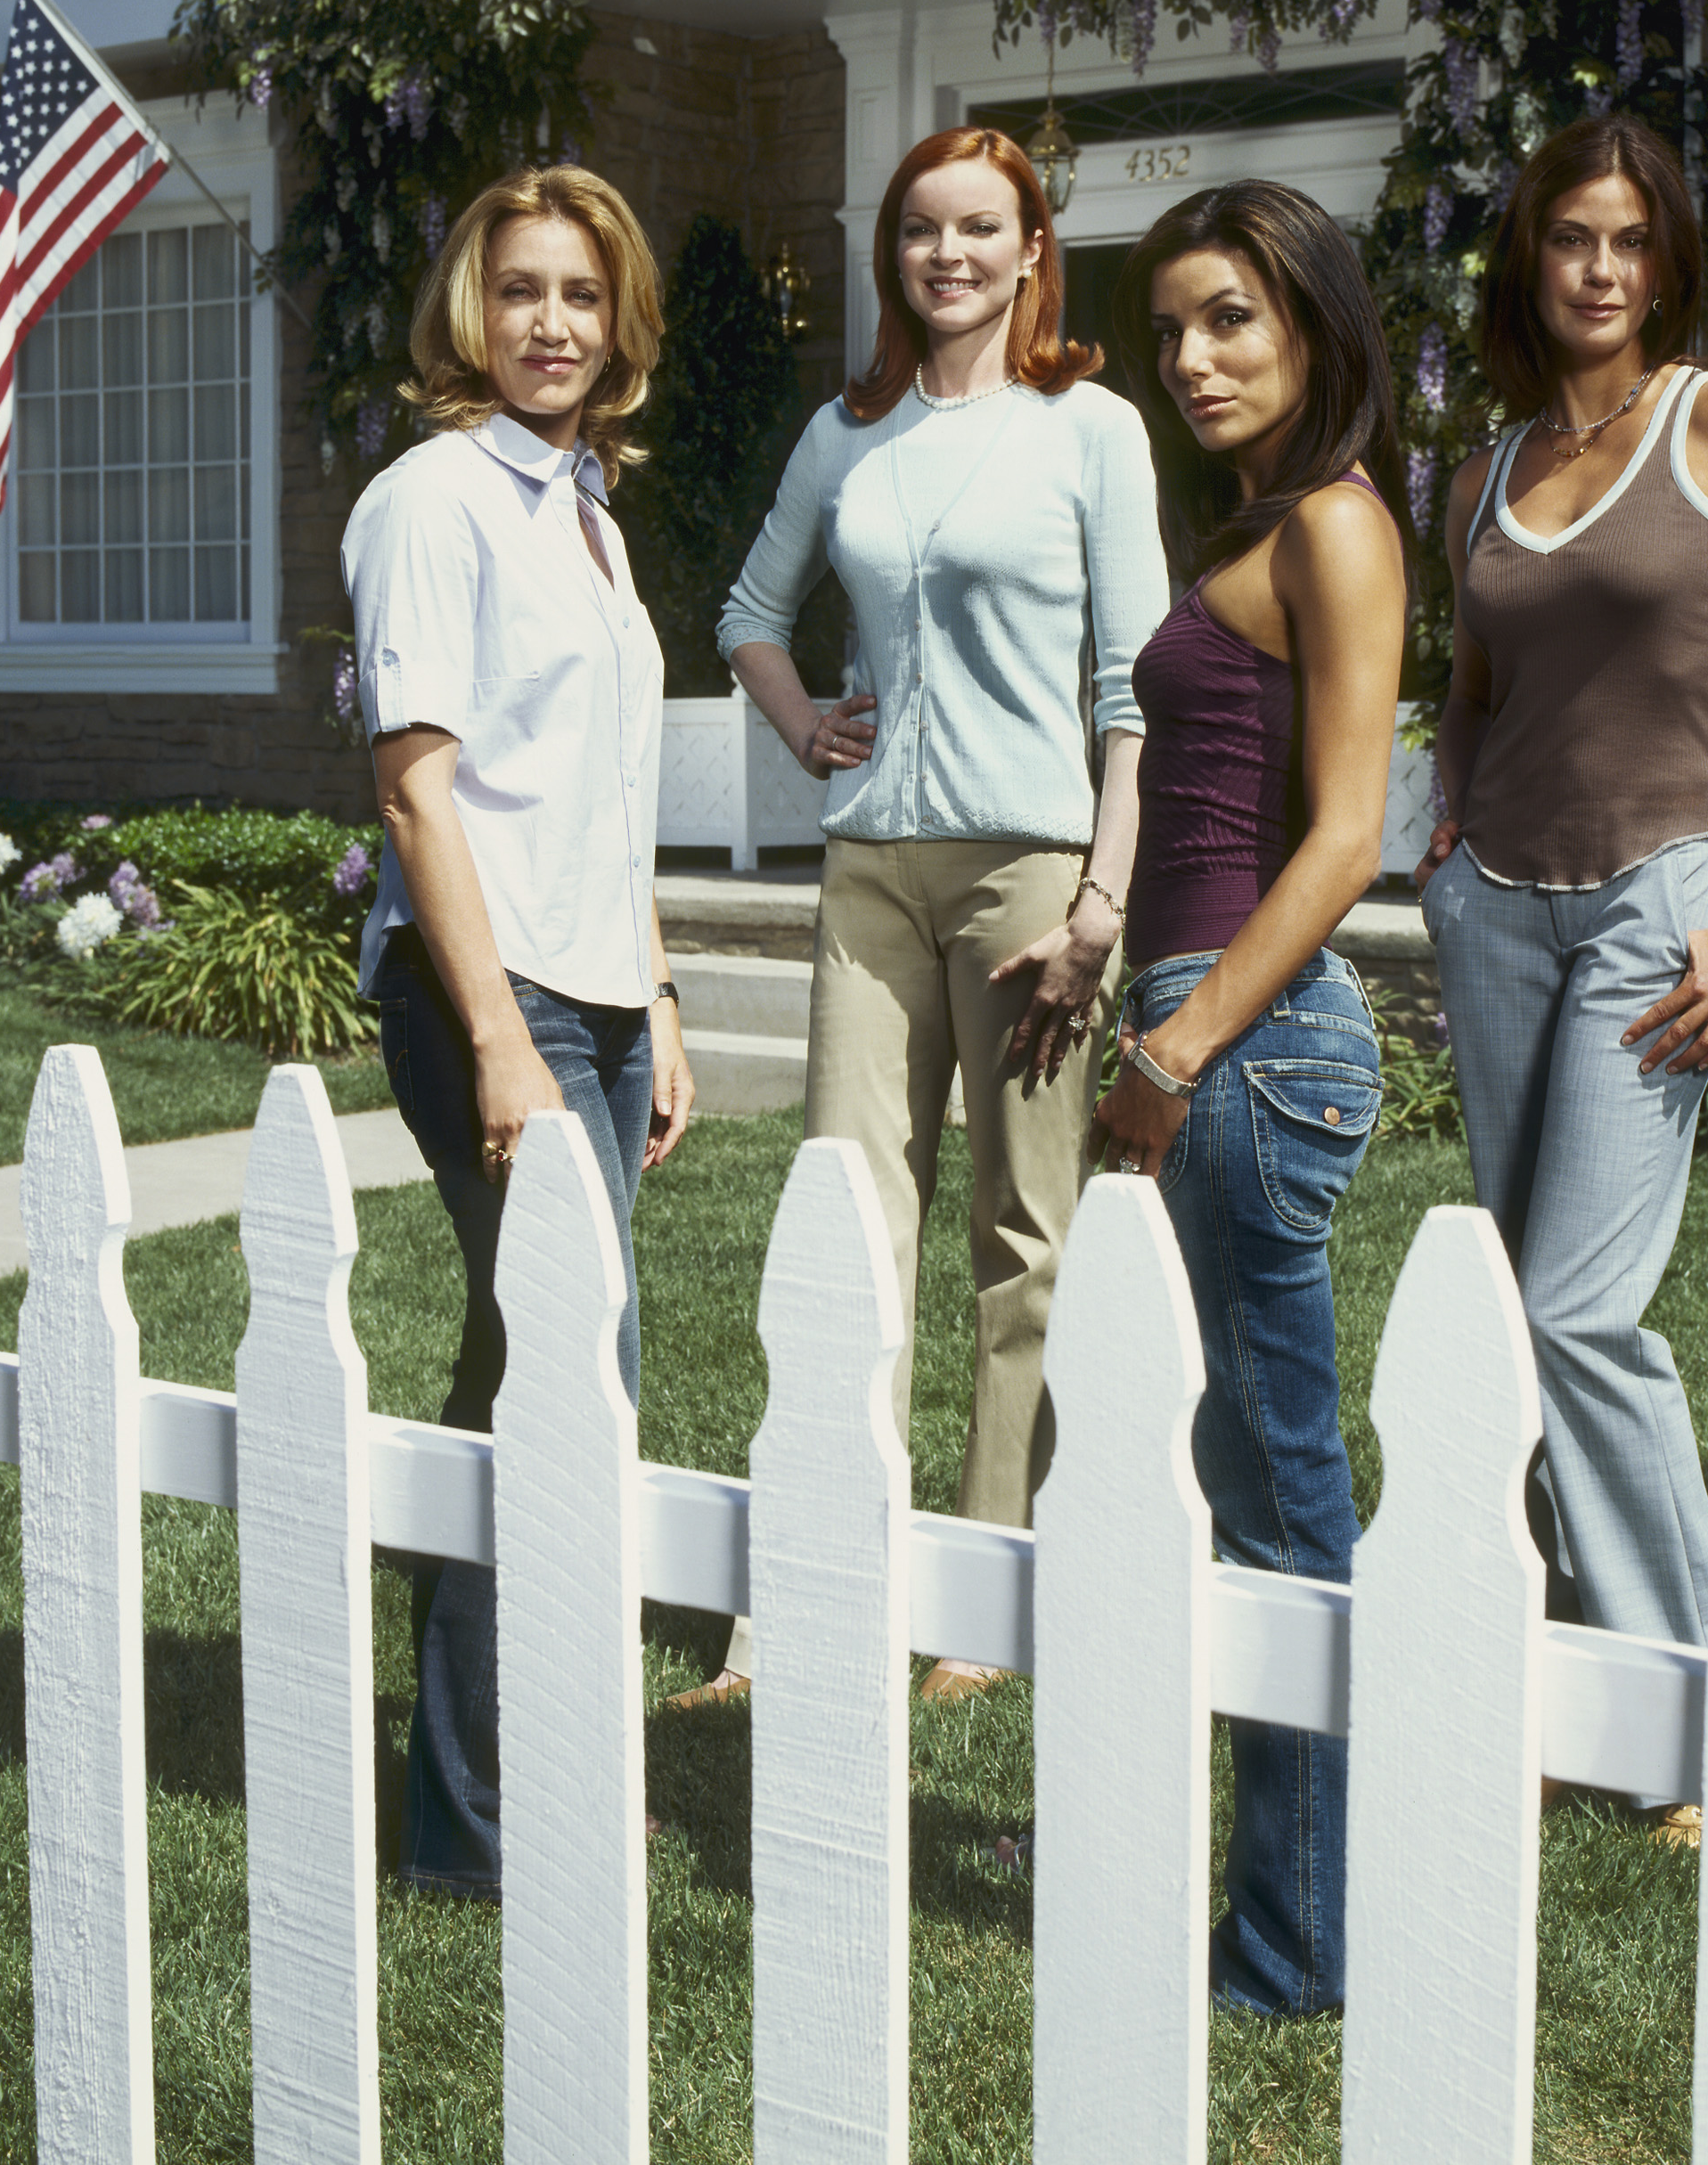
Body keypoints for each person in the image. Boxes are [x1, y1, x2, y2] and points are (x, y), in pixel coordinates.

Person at [1416, 116, 1708, 1791]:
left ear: (1662, 258)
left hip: (1656, 901)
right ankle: (1573, 1666)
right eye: (1568, 240)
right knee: (1514, 1309)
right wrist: (1448, 820)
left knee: (1577, 1311)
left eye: (1627, 241)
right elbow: (1468, 683)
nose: (1599, 270)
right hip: (1496, 911)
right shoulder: (1485, 469)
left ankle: (1703, 1701)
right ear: (1528, 259)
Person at [697, 123, 1167, 1704]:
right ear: (892, 254)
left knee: (1022, 1239)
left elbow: (1133, 688)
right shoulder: (851, 433)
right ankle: (806, 1596)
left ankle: (985, 1597)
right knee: (843, 1226)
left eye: (980, 228)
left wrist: (1102, 899)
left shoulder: (1089, 427)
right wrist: (802, 722)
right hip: (870, 872)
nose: (948, 255)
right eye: (919, 231)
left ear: (1034, 247)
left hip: (1029, 873)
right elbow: (749, 614)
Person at [343, 162, 696, 1899]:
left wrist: (663, 1002)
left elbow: (595, 798)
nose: (550, 322)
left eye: (580, 292)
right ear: (466, 312)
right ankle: (503, 1815)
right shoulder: (432, 500)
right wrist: (496, 1040)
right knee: (576, 1373)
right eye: (520, 290)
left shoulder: (585, 509)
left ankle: (465, 1804)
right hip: (489, 994)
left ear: (618, 320)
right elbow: (420, 796)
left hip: (596, 988)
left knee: (521, 1378)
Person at [1089, 180, 1409, 2018]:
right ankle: (1278, 1908)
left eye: (1234, 321)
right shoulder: (1272, 524)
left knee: (1287, 1503)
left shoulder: (1343, 529)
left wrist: (1182, 1042)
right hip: (1202, 1024)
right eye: (1177, 328)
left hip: (1250, 1050)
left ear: (1315, 327)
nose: (1193, 358)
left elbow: (1351, 833)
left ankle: (1293, 1948)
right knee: (1240, 1480)